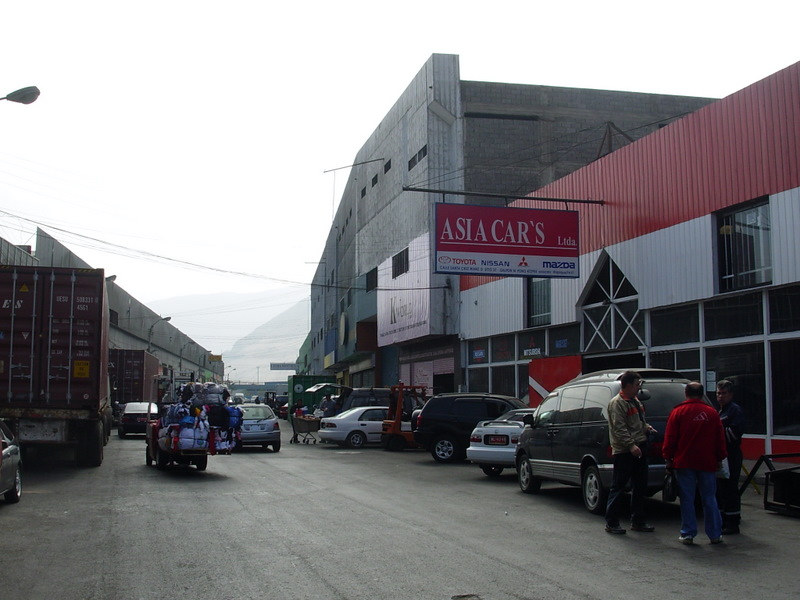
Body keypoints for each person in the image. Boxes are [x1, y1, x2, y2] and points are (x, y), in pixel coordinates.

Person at [662, 381, 728, 545]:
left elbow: (670, 439)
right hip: (707, 462)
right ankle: (714, 534)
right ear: (701, 394)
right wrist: (719, 458)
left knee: (687, 498)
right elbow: (719, 439)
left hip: (684, 462)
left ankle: (688, 533)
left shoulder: (678, 412)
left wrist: (668, 458)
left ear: (686, 393)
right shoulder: (712, 413)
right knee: (709, 498)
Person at [604, 370, 658, 534]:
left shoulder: (635, 401)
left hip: (639, 448)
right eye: (636, 384)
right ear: (627, 385)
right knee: (619, 487)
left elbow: (638, 422)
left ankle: (638, 521)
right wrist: (631, 446)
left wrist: (647, 428)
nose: (639, 388)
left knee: (640, 486)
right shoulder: (617, 403)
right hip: (624, 452)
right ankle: (612, 522)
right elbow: (619, 428)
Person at [715, 379, 746, 534]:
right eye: (718, 393)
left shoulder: (735, 410)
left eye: (724, 393)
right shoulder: (719, 411)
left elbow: (734, 432)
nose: (721, 396)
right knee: (721, 490)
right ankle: (723, 521)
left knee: (730, 488)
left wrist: (716, 433)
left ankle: (733, 523)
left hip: (731, 454)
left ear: (731, 394)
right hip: (721, 455)